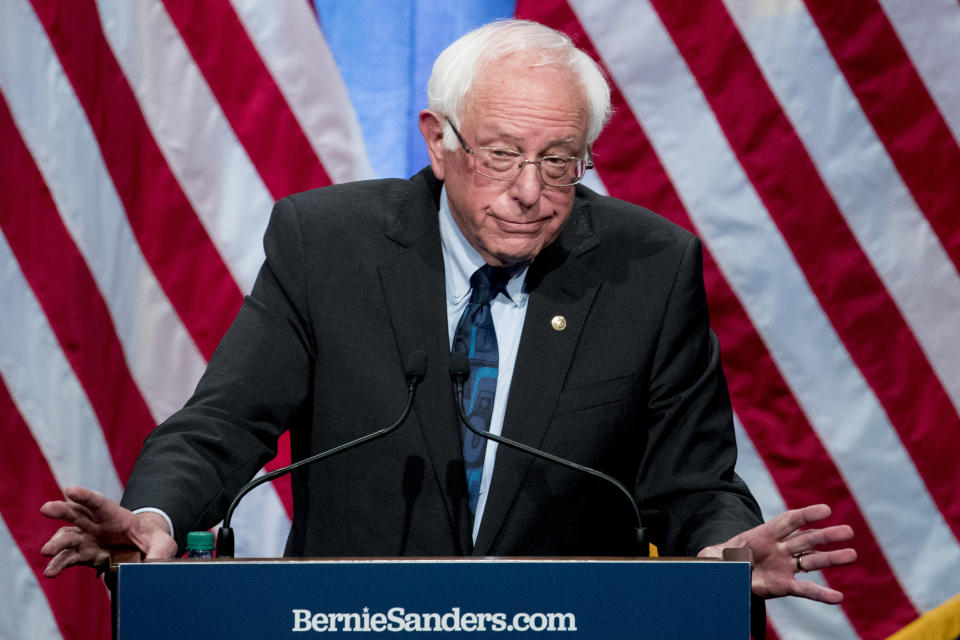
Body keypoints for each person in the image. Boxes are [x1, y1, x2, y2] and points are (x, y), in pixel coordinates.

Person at [41, 19, 855, 604]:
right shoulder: (328, 245)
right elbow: (223, 425)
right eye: (502, 155)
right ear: (439, 141)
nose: (531, 192)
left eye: (560, 162)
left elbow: (689, 481)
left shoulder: (648, 267)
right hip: (348, 625)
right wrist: (156, 514)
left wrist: (719, 550)